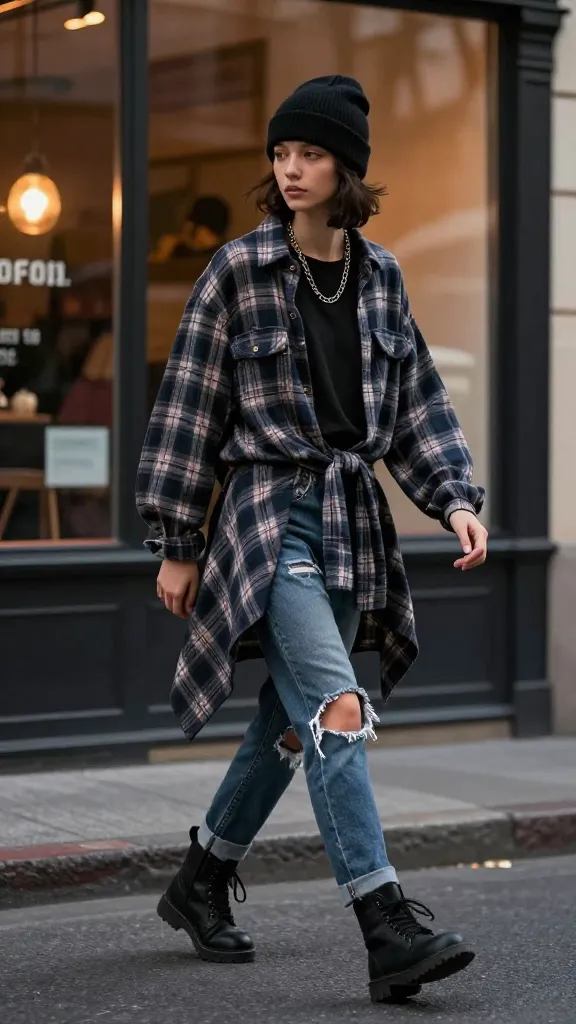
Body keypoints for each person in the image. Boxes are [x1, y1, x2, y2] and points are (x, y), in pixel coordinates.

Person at [136, 75, 487, 1005]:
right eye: (282, 154)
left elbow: (416, 405)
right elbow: (187, 407)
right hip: (265, 519)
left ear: (348, 170)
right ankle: (385, 922)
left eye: (311, 154)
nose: (290, 169)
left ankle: (201, 878)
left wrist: (453, 498)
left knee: (291, 725)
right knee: (335, 708)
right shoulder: (237, 271)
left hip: (347, 528)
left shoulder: (381, 278)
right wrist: (177, 538)